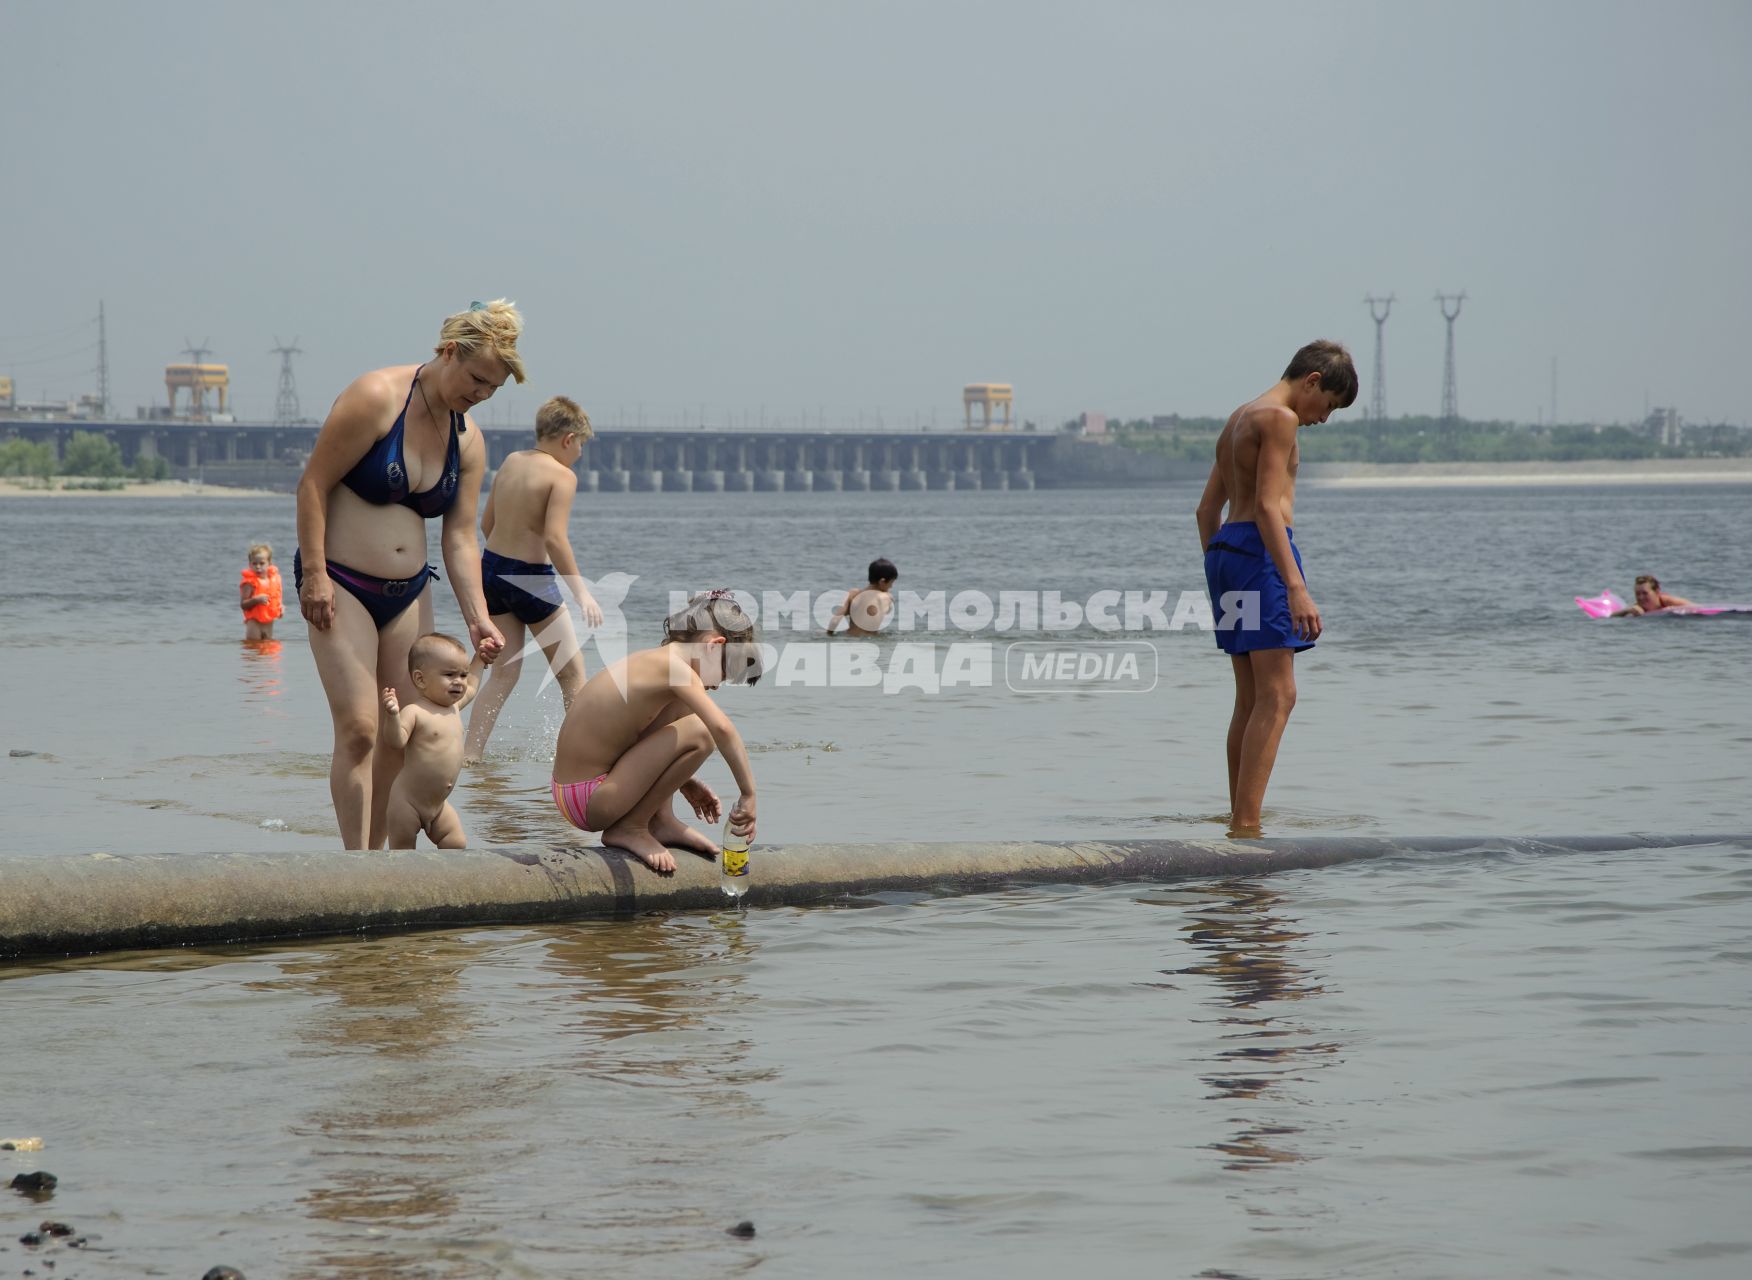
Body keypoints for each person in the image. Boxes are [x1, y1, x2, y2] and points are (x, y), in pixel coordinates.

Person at [295, 300, 521, 848]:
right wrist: (316, 574)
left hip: (409, 591)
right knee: (360, 730)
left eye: (493, 389)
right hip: (342, 584)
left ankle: (386, 865)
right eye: (476, 380)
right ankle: (357, 869)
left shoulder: (467, 440)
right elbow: (312, 486)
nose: (481, 395)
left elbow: (461, 536)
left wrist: (478, 619)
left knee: (403, 737)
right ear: (448, 352)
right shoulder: (376, 397)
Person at [1195, 339, 1357, 837]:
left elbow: (1206, 512)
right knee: (1280, 694)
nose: (1323, 418)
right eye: (1327, 405)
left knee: (1251, 698)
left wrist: (1221, 573)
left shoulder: (1240, 416)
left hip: (1225, 555)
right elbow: (1268, 507)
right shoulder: (1280, 419)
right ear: (1312, 381)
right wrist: (1295, 586)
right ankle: (1247, 828)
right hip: (1261, 554)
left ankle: (1238, 819)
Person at [551, 590, 763, 873]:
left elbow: (634, 735)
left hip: (577, 793)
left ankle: (660, 821)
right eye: (723, 675)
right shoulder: (676, 670)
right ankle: (630, 827)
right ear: (714, 645)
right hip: (592, 799)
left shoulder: (656, 662)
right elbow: (722, 728)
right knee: (702, 731)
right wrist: (748, 795)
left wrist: (684, 779)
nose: (716, 686)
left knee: (683, 709)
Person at [463, 395, 606, 763]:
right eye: (582, 446)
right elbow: (555, 539)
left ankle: (471, 754)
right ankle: (579, 759)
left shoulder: (512, 461)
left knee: (503, 675)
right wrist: (582, 593)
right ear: (568, 439)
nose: (580, 455)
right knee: (572, 676)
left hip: (491, 570)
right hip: (531, 580)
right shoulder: (562, 476)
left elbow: (486, 524)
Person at [378, 633, 481, 849]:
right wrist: (393, 716)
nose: (459, 682)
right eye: (450, 674)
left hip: (438, 805)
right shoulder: (415, 711)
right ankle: (403, 882)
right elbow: (396, 741)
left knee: (456, 843)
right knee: (404, 854)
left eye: (463, 675)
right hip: (407, 803)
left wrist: (480, 659)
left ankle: (445, 883)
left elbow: (473, 686)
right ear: (420, 679)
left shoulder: (454, 707)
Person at [826, 557, 898, 636]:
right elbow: (887, 611)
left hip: (849, 637)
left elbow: (835, 621)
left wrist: (829, 634)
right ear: (882, 581)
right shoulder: (887, 597)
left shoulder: (853, 594)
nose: (891, 587)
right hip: (868, 640)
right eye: (891, 583)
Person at [239, 542, 284, 641]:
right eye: (254, 563)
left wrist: (280, 607)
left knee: (268, 648)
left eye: (262, 563)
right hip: (254, 622)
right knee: (253, 646)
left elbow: (276, 599)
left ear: (269, 563)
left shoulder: (273, 580)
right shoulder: (249, 583)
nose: (258, 567)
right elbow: (243, 604)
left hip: (268, 622)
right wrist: (256, 600)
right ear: (250, 564)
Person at [1613, 574, 1695, 616]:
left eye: (1645, 593)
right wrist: (1627, 611)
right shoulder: (1638, 608)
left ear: (1657, 591)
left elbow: (1697, 608)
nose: (1641, 597)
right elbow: (1611, 616)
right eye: (1637, 594)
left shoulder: (1667, 601)